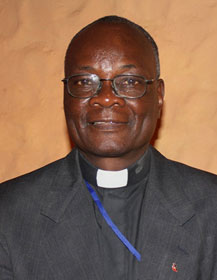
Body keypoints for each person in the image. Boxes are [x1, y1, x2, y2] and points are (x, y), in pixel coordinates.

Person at [0, 15, 217, 280]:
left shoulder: (211, 207)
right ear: (66, 97)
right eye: (84, 82)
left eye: (129, 81)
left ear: (158, 96)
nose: (105, 98)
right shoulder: (8, 213)